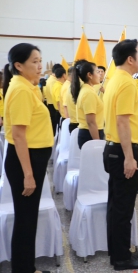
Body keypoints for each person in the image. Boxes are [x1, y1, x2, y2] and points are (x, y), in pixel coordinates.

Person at [3, 43, 54, 273]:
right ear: (18, 65)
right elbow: (18, 135)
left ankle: (26, 267)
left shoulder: (27, 86)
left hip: (31, 158)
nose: (40, 65)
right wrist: (28, 175)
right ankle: (23, 269)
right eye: (34, 61)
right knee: (25, 219)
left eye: (40, 60)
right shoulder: (21, 90)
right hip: (26, 161)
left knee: (28, 217)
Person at [103, 39, 138, 270]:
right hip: (123, 151)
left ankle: (118, 251)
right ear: (130, 59)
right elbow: (123, 123)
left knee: (116, 206)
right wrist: (130, 158)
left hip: (113, 148)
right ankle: (121, 258)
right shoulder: (127, 83)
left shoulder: (114, 80)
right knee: (123, 208)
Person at [71, 61, 105, 149]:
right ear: (89, 75)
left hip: (90, 133)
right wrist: (97, 144)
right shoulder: (88, 93)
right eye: (97, 72)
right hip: (90, 135)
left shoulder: (88, 90)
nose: (100, 75)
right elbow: (91, 122)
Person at [45, 63, 63, 135]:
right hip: (54, 106)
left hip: (50, 104)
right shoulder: (54, 81)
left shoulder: (50, 79)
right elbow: (56, 97)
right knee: (55, 127)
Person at [63, 67, 79, 133]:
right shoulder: (68, 87)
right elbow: (65, 106)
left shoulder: (69, 85)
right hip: (74, 122)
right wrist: (67, 120)